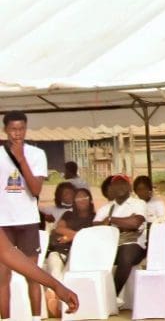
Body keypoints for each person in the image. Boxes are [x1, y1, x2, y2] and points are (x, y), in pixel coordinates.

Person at [0, 110, 49, 321]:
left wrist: (21, 160)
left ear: (26, 129)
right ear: (5, 130)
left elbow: (36, 189)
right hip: (3, 222)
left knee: (32, 274)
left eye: (21, 129)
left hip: (27, 221)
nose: (17, 134)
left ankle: (36, 318)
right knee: (2, 276)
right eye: (13, 129)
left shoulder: (37, 154)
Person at [93, 174, 147, 295]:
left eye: (123, 183)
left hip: (134, 245)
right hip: (111, 246)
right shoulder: (105, 208)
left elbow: (135, 223)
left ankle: (112, 295)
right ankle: (92, 295)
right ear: (111, 188)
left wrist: (111, 220)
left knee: (126, 252)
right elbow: (95, 227)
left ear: (129, 187)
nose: (119, 186)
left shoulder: (138, 203)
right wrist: (124, 224)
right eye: (116, 184)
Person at [44, 188, 95, 315]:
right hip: (60, 250)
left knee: (65, 272)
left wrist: (72, 237)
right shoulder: (68, 214)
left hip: (79, 254)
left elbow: (93, 237)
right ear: (74, 201)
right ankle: (57, 300)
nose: (81, 200)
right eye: (78, 197)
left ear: (90, 200)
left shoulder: (95, 218)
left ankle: (55, 299)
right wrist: (78, 235)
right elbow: (59, 229)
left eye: (85, 197)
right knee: (54, 264)